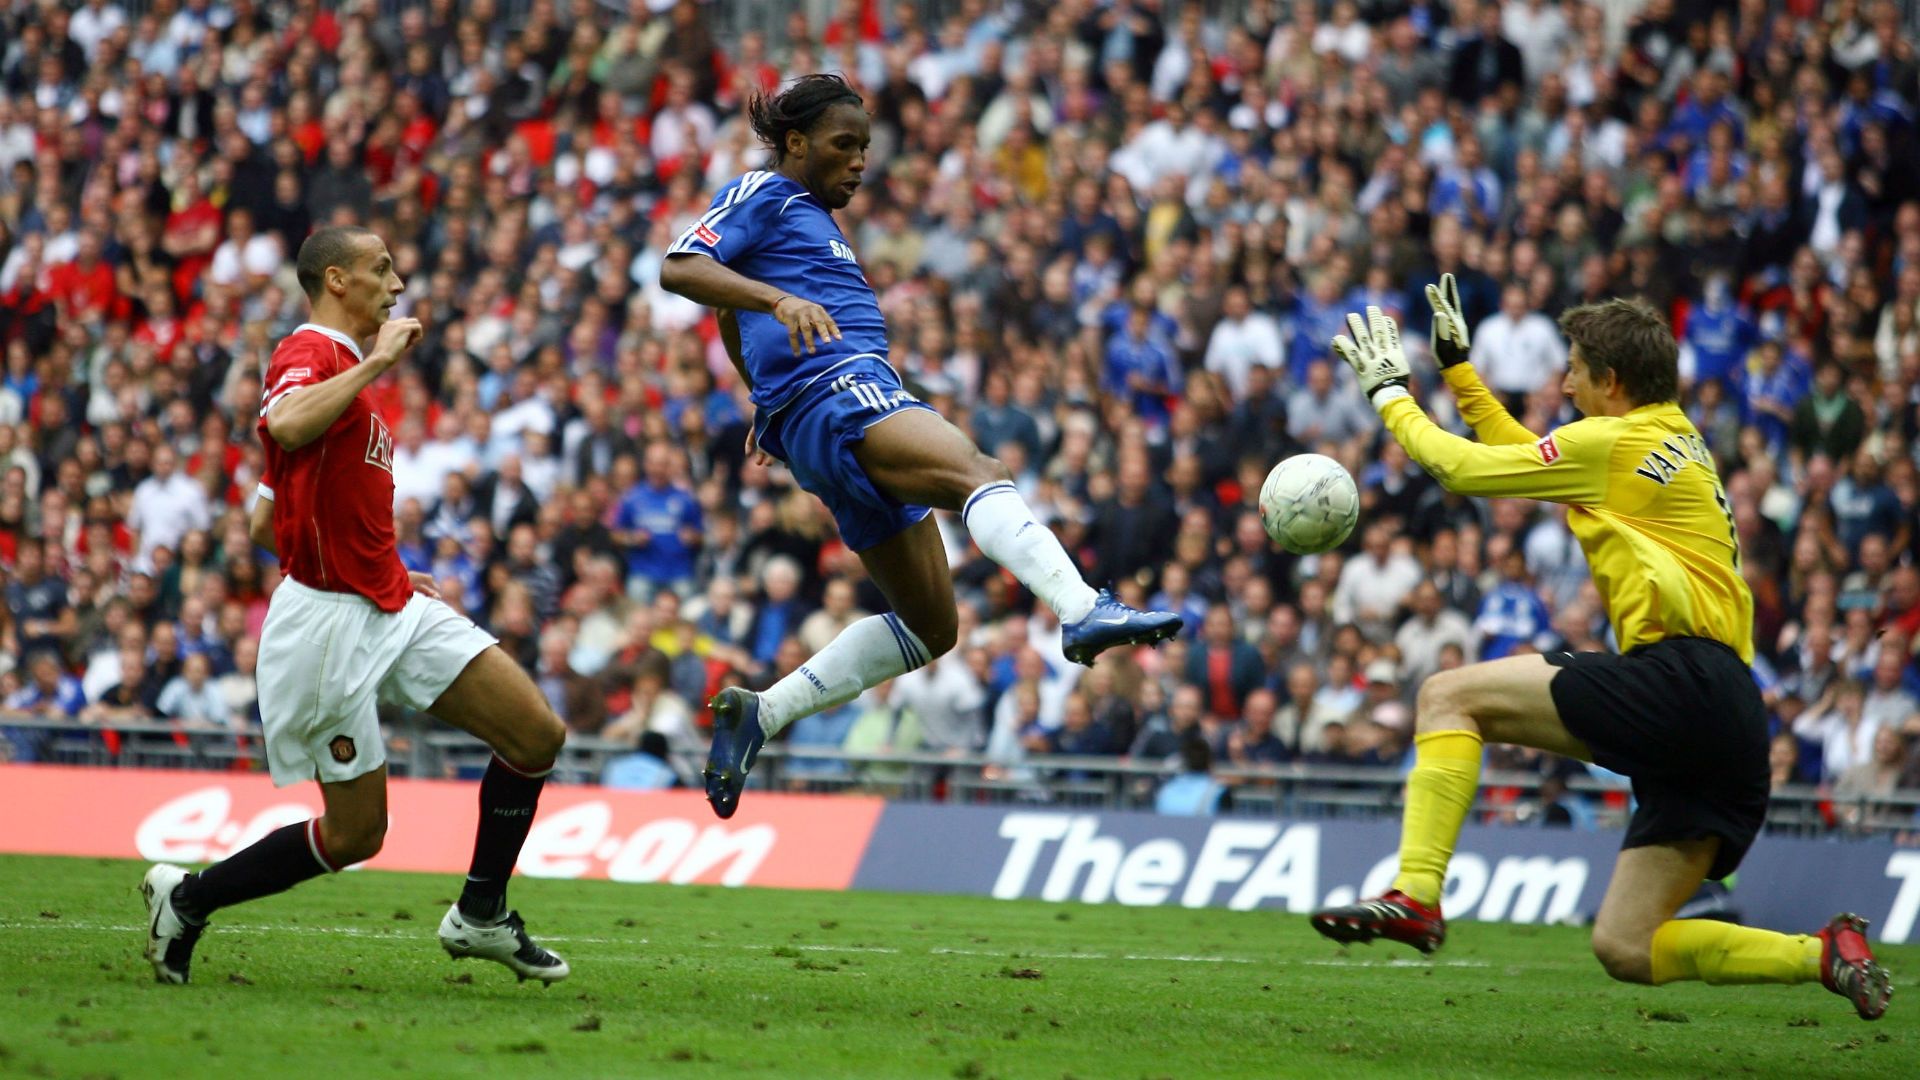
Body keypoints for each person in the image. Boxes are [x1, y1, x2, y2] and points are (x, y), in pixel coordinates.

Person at [1309, 277, 1891, 1021]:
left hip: (1678, 679)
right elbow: (1533, 456)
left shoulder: (1613, 442)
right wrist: (1459, 372)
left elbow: (1458, 468)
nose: (1564, 381)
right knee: (1626, 945)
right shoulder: (1671, 440)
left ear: (1609, 382)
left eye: (1575, 369)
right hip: (1731, 715)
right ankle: (1825, 954)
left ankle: (1416, 894)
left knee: (1446, 697)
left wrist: (1390, 391)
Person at [657, 75, 1180, 819]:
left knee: (933, 627)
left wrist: (762, 393)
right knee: (981, 472)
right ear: (796, 143)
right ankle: (1081, 607)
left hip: (820, 409)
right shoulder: (765, 193)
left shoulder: (803, 218)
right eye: (844, 145)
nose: (860, 161)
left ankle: (761, 713)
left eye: (866, 147)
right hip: (843, 393)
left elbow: (726, 306)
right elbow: (681, 267)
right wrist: (780, 309)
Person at [140, 227, 570, 987]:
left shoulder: (343, 379)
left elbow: (258, 521)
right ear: (336, 280)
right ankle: (189, 899)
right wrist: (376, 361)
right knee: (356, 833)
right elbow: (289, 423)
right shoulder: (311, 354)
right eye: (383, 268)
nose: (398, 283)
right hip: (327, 625)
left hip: (389, 601)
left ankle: (480, 914)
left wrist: (380, 564)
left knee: (535, 734)